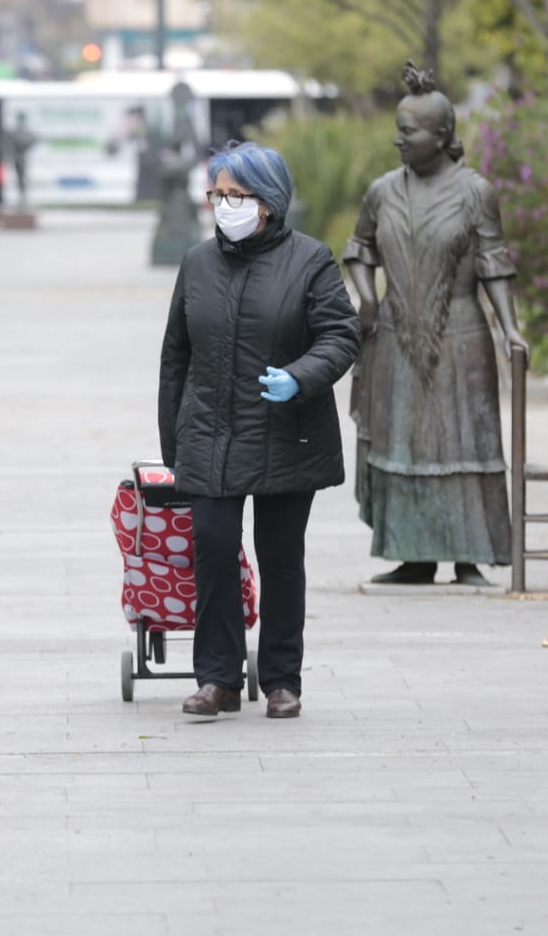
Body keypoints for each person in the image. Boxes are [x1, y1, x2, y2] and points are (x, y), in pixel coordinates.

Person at [158, 141, 361, 718]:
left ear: (267, 203)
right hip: (210, 436)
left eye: (235, 195)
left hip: (285, 436)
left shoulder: (311, 260)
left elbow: (341, 334)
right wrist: (176, 448)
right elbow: (176, 356)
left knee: (279, 558)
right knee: (214, 550)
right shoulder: (197, 263)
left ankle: (280, 679)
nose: (223, 205)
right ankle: (217, 677)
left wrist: (301, 376)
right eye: (217, 194)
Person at [344, 61, 529, 585]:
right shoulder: (382, 191)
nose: (398, 139)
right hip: (396, 339)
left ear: (442, 135)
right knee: (403, 441)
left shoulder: (475, 192)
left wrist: (510, 327)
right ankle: (413, 554)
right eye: (398, 129)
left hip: (462, 336)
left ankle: (469, 556)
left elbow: (494, 261)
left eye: (410, 130)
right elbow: (358, 250)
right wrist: (366, 298)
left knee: (465, 440)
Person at [3, 111, 37, 205]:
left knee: (23, 178)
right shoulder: (14, 132)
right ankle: (21, 196)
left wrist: (25, 147)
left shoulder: (27, 132)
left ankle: (23, 197)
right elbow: (9, 144)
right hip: (17, 158)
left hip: (23, 157)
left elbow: (33, 140)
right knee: (19, 178)